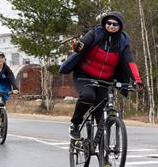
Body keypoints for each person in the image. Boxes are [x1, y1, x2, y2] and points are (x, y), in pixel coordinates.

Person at [59, 12, 143, 141]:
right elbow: (83, 43)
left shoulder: (122, 42)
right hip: (84, 75)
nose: (111, 26)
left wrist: (137, 80)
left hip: (105, 79)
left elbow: (129, 61)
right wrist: (78, 46)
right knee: (88, 96)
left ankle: (103, 151)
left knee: (100, 113)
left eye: (115, 24)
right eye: (108, 23)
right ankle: (75, 124)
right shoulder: (96, 33)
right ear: (104, 23)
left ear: (120, 26)